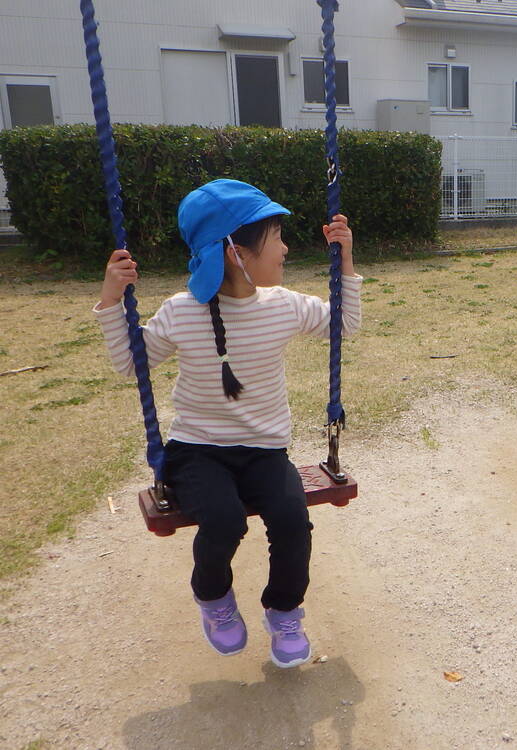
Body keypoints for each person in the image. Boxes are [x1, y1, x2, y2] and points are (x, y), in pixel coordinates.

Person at [95, 179, 362, 668]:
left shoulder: (283, 304)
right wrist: (113, 299)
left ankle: (284, 611)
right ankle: (213, 599)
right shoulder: (182, 311)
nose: (285, 247)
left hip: (264, 451)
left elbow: (341, 326)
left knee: (292, 522)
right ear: (235, 252)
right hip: (197, 451)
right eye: (275, 237)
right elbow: (132, 363)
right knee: (222, 520)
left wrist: (344, 261)